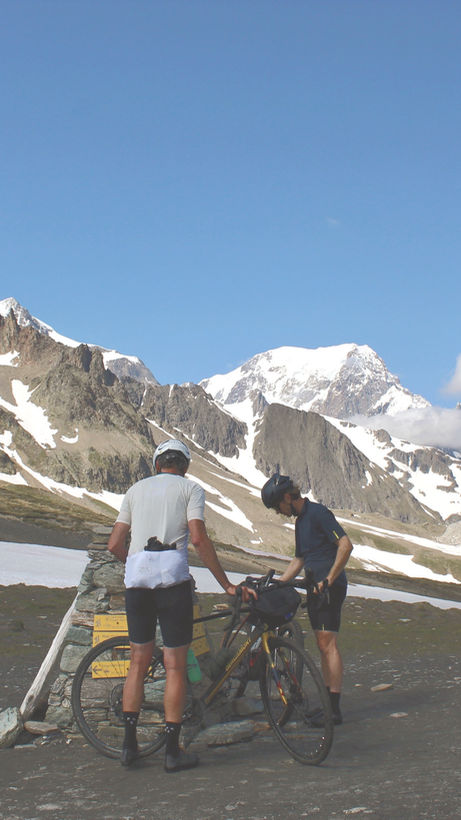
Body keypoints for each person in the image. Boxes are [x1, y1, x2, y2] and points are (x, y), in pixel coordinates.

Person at [108, 439, 252, 771]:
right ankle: (172, 753)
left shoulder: (135, 490)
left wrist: (133, 563)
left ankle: (129, 748)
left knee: (137, 663)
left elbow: (115, 542)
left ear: (157, 464)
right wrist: (227, 584)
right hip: (172, 582)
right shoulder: (191, 490)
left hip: (137, 584)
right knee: (175, 665)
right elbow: (198, 538)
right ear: (184, 467)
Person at [261, 472, 353, 725]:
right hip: (315, 587)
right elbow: (300, 559)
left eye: (278, 505)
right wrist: (278, 583)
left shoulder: (318, 513)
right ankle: (328, 705)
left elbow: (345, 545)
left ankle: (333, 711)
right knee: (323, 646)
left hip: (327, 588)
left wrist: (328, 581)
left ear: (288, 497)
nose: (279, 512)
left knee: (328, 645)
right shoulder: (301, 521)